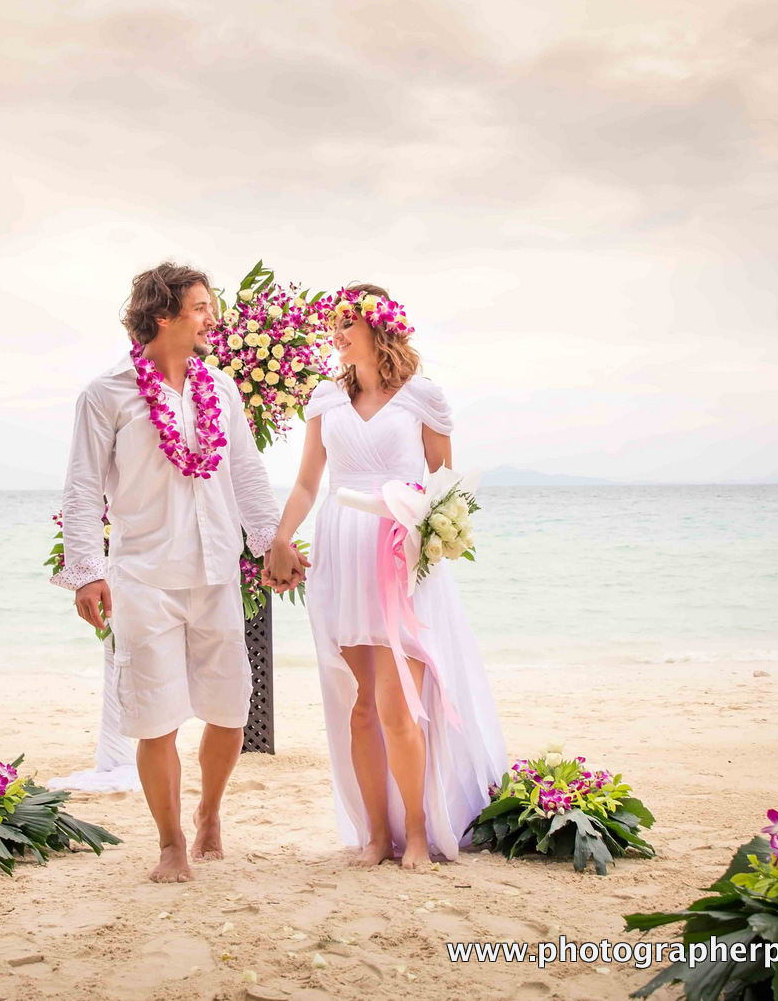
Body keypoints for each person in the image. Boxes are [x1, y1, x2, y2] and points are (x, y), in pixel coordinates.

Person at [57, 262, 304, 883]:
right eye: (200, 306)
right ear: (162, 314)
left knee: (230, 709)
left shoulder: (218, 389)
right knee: (155, 715)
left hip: (217, 570)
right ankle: (170, 844)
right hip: (142, 577)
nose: (211, 318)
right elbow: (84, 489)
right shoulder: (106, 394)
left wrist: (271, 541)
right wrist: (86, 572)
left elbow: (246, 474)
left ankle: (209, 811)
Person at [269, 285, 505, 870]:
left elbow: (448, 486)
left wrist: (434, 532)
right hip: (341, 553)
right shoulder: (325, 401)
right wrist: (279, 537)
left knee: (401, 706)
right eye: (334, 325)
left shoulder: (421, 397)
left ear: (380, 328)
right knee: (362, 707)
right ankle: (375, 835)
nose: (336, 334)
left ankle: (420, 835)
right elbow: (306, 484)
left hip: (400, 556)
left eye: (347, 323)